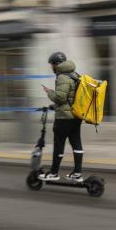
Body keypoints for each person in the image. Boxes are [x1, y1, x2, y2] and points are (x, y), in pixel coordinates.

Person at [38, 52, 84, 182]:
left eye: (51, 64)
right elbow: (70, 97)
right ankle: (77, 173)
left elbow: (60, 97)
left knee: (59, 144)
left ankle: (54, 173)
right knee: (76, 144)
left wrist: (49, 92)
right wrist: (55, 106)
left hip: (64, 118)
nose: (51, 67)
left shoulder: (62, 77)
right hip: (76, 115)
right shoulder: (75, 75)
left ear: (56, 64)